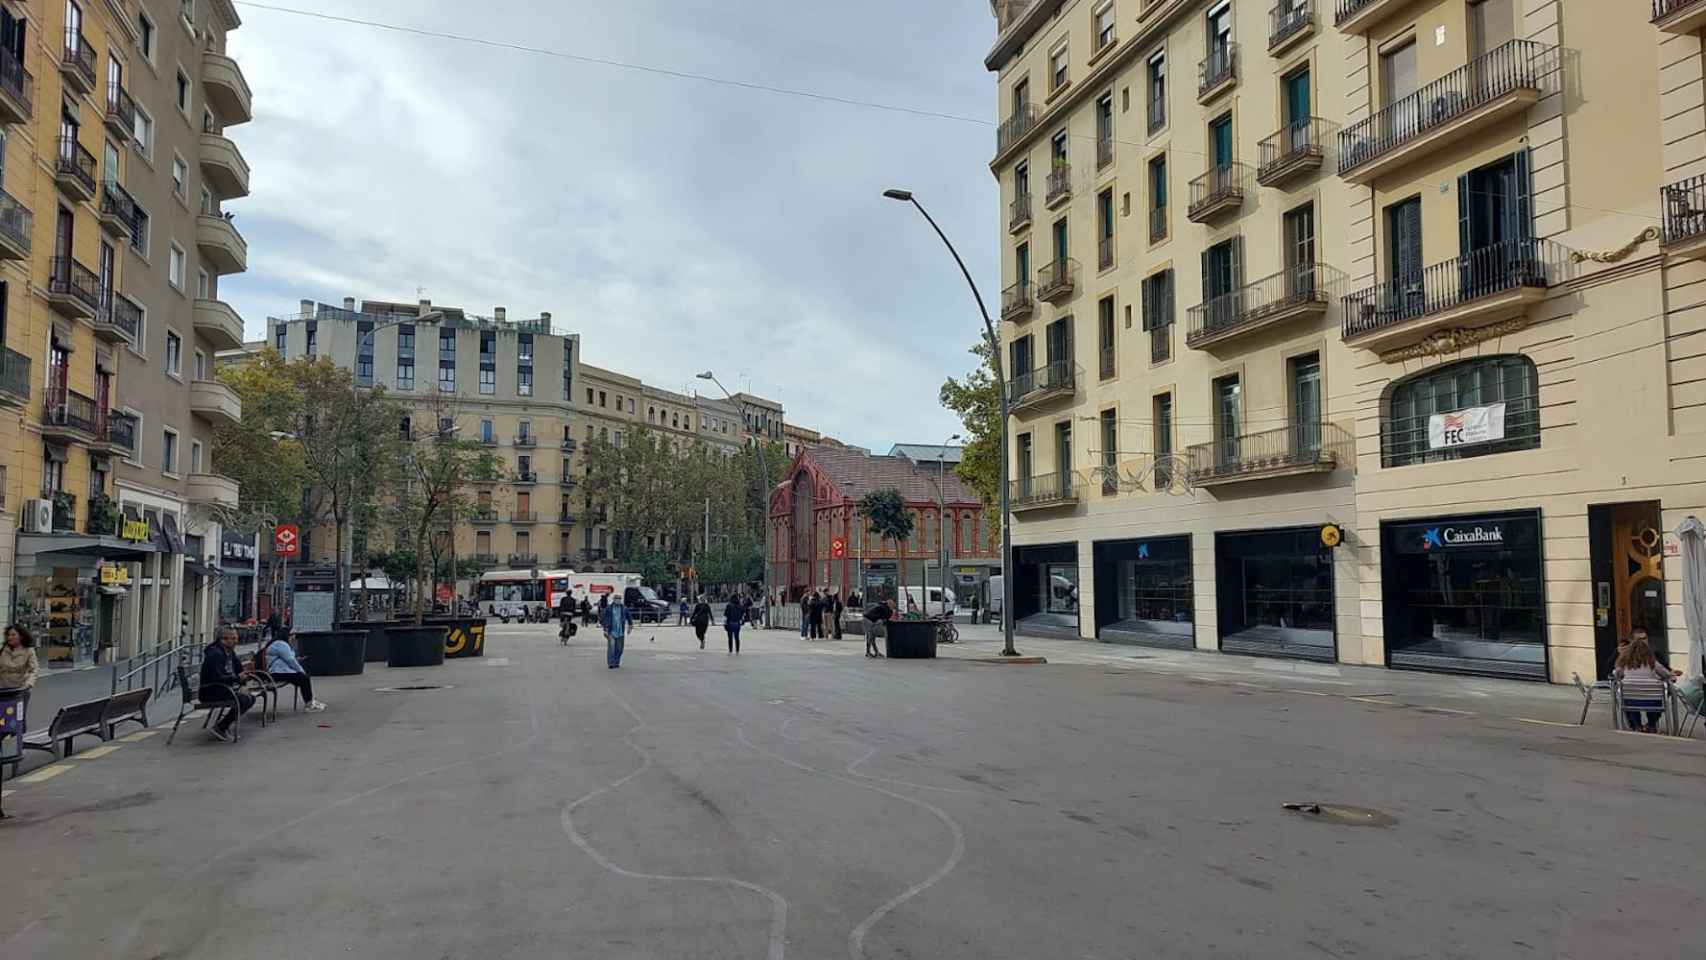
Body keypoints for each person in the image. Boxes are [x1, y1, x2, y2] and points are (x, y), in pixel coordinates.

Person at [1615, 630, 1678, 733]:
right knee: (1659, 697)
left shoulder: (1624, 662)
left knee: (1626, 697)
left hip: (1631, 700)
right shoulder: (1652, 662)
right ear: (1648, 651)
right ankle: (1651, 725)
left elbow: (1617, 675)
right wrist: (1670, 675)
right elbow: (1666, 674)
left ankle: (1637, 726)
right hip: (1651, 700)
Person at [200, 627, 254, 741]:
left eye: (236, 638)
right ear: (223, 640)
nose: (236, 641)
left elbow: (239, 670)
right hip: (211, 691)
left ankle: (223, 726)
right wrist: (237, 679)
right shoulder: (215, 654)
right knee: (244, 700)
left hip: (224, 688)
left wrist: (243, 685)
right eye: (233, 638)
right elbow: (217, 677)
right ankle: (220, 727)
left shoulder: (230, 652)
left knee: (250, 698)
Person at [261, 628, 326, 713]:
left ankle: (310, 701)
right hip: (277, 673)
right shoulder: (280, 644)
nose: (293, 638)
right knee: (304, 678)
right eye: (292, 635)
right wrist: (301, 670)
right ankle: (309, 704)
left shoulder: (280, 643)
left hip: (281, 671)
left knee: (303, 678)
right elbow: (290, 660)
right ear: (287, 635)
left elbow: (289, 658)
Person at [0, 625, 40, 723]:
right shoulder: (3, 649)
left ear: (21, 636)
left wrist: (29, 683)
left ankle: (19, 733)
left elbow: (34, 669)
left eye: (13, 635)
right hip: (3, 688)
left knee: (18, 717)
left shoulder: (29, 650)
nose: (10, 637)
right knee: (2, 717)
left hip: (20, 688)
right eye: (8, 635)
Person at [601, 594, 631, 669]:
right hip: (611, 631)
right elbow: (604, 619)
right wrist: (605, 630)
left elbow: (629, 617)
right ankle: (611, 663)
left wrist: (630, 626)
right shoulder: (608, 608)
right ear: (613, 599)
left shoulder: (624, 608)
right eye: (616, 599)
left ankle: (616, 662)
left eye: (619, 599)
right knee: (611, 647)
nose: (618, 600)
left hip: (620, 631)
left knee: (620, 648)